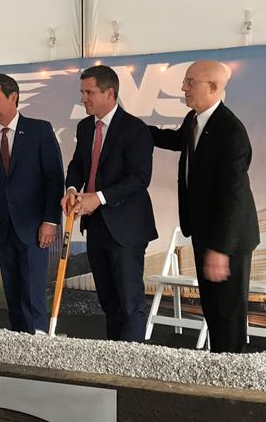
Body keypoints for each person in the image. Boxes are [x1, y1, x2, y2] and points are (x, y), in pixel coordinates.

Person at [148, 60, 259, 353]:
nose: (183, 88)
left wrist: (221, 249)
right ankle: (216, 365)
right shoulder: (195, 119)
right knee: (212, 308)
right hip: (205, 232)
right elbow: (175, 140)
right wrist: (133, 127)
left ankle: (231, 377)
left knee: (228, 313)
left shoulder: (230, 131)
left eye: (189, 82)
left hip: (229, 239)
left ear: (213, 87)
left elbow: (234, 196)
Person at [61, 65, 157, 343]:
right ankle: (111, 360)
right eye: (82, 92)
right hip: (95, 227)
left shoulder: (135, 129)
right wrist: (71, 189)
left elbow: (140, 178)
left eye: (89, 92)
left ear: (110, 92)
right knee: (109, 303)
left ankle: (131, 366)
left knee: (130, 303)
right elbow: (78, 165)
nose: (84, 99)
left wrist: (98, 198)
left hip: (126, 229)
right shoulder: (84, 127)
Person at [0, 74, 65, 334]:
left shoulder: (39, 130)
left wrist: (50, 221)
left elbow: (54, 177)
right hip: (1, 229)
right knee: (13, 297)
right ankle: (17, 347)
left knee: (33, 296)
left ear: (13, 97)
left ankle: (38, 347)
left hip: (35, 228)